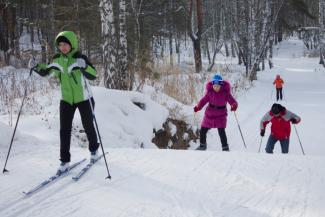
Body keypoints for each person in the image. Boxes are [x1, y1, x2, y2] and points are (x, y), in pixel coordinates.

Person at [34, 31, 99, 174]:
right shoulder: (57, 59)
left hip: (84, 98)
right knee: (64, 130)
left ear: (72, 44)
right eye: (60, 44)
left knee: (88, 126)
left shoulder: (80, 57)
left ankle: (94, 150)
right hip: (66, 100)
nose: (63, 47)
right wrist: (38, 68)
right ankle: (64, 161)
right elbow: (49, 72)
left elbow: (94, 75)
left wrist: (84, 66)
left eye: (65, 44)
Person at [193, 74, 238, 151]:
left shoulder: (225, 93)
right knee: (203, 130)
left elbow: (232, 101)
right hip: (209, 114)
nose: (216, 88)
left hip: (221, 115)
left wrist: (234, 105)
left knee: (221, 131)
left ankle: (225, 147)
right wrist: (198, 107)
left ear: (221, 85)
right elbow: (203, 101)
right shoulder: (210, 93)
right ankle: (202, 145)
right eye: (214, 86)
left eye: (217, 86)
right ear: (212, 85)